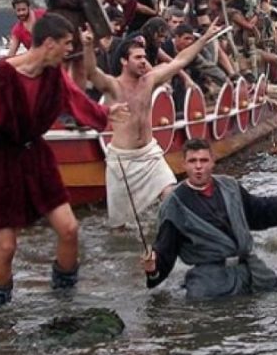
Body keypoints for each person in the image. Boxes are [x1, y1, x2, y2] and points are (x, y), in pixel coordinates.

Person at [0, 14, 129, 305]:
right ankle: (0, 311)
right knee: (7, 246)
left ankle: (64, 299)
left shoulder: (53, 75)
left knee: (69, 229)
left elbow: (76, 100)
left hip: (35, 156)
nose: (68, 50)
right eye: (66, 44)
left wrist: (104, 114)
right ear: (48, 44)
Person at [141, 138, 277, 298]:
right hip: (209, 282)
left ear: (213, 162)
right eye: (192, 161)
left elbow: (259, 210)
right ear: (184, 165)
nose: (198, 166)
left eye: (203, 160)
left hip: (251, 270)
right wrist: (153, 267)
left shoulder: (230, 187)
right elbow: (164, 249)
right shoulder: (174, 205)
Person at [85, 20, 225, 229]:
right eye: (138, 58)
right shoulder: (113, 86)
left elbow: (179, 61)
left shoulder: (149, 80)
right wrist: (87, 46)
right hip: (122, 161)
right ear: (124, 61)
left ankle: (173, 239)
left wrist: (204, 39)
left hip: (150, 154)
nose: (144, 61)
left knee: (170, 194)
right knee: (119, 227)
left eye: (144, 57)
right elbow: (91, 72)